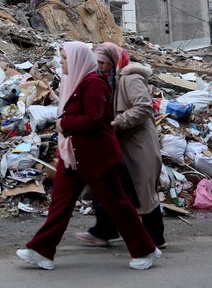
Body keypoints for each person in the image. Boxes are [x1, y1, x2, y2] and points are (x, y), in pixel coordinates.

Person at [16, 41, 160, 271]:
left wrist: (64, 123)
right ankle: (41, 250)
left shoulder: (93, 84)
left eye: (64, 58)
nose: (61, 62)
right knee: (60, 205)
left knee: (118, 205)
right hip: (74, 156)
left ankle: (146, 249)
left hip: (97, 157)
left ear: (77, 60)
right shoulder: (74, 82)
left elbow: (94, 119)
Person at [75, 42, 166, 248]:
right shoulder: (108, 79)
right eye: (96, 63)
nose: (99, 67)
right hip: (120, 144)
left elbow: (143, 107)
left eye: (103, 63)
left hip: (138, 145)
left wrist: (118, 122)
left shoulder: (129, 77)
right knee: (110, 187)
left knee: (142, 191)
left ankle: (155, 239)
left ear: (113, 61)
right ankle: (104, 230)